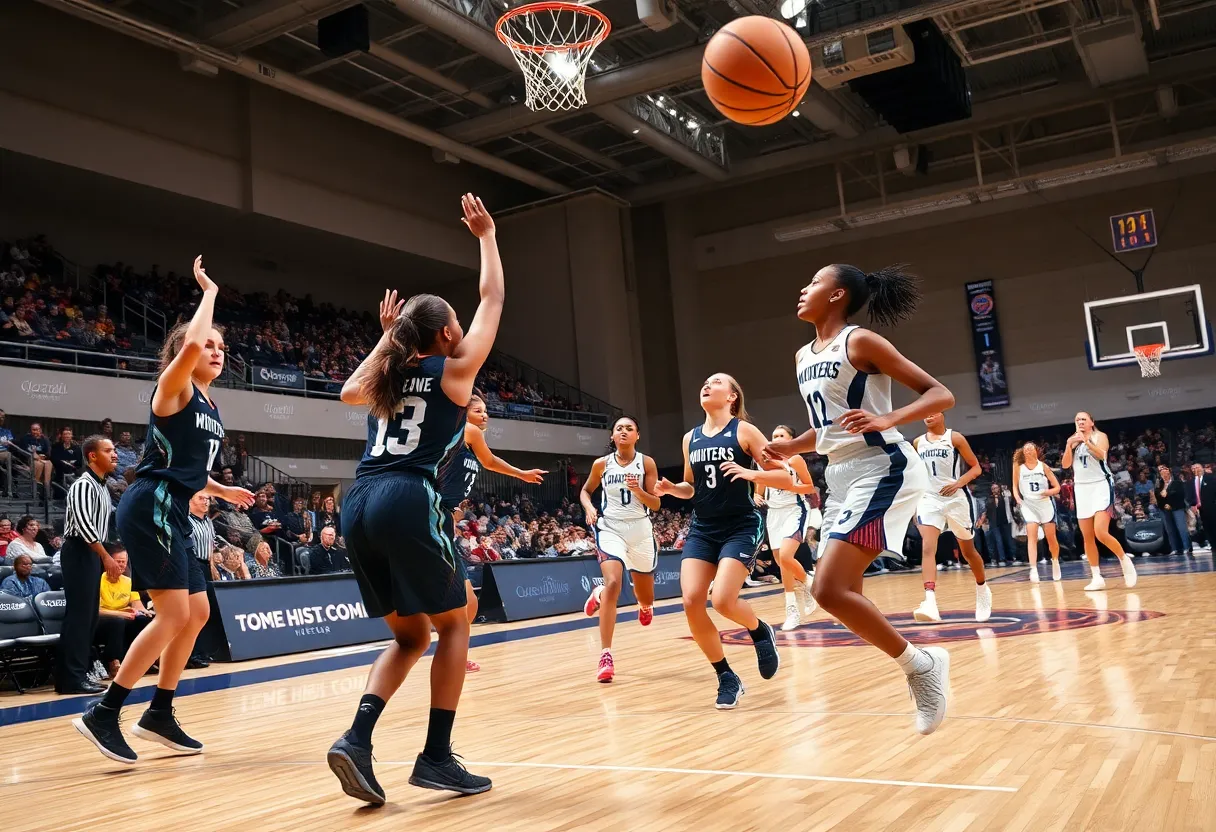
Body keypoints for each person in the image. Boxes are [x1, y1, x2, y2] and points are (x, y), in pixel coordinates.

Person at [326, 194, 499, 805]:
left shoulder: (387, 375)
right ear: (447, 334)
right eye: (454, 326)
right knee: (457, 622)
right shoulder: (456, 372)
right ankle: (435, 755)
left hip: (358, 499)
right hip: (406, 494)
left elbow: (348, 393)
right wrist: (487, 235)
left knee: (409, 637)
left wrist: (386, 340)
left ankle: (356, 739)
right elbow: (494, 298)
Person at [72, 255, 255, 765]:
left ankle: (161, 712)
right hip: (148, 504)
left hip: (174, 506)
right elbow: (193, 341)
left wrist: (220, 491)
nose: (217, 352)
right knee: (174, 612)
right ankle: (104, 712)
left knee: (196, 613)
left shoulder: (212, 406)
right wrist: (210, 294)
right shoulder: (173, 390)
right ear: (182, 354)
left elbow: (189, 469)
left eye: (223, 347)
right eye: (209, 345)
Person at [764, 263, 953, 735]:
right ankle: (919, 665)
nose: (803, 288)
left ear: (838, 295)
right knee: (842, 596)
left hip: (884, 468)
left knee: (827, 589)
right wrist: (793, 446)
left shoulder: (860, 341)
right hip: (841, 475)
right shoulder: (801, 355)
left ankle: (922, 666)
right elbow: (833, 427)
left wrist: (891, 419)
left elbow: (940, 394)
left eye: (814, 282)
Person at [653, 373, 780, 710]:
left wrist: (752, 474)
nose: (707, 385)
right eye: (705, 383)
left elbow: (783, 474)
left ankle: (759, 630)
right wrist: (672, 490)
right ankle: (726, 676)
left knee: (723, 600)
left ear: (732, 397)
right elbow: (691, 486)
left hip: (741, 524)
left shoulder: (744, 431)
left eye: (717, 382)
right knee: (693, 601)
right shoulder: (689, 438)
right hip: (703, 527)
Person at [438, 392, 545, 673]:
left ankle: (454, 654)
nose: (485, 415)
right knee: (463, 600)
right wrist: (521, 473)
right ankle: (449, 651)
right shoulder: (468, 430)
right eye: (479, 410)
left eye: (487, 411)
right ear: (465, 412)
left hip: (444, 517)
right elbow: (491, 462)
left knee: (466, 601)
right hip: (434, 515)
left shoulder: (463, 438)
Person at [579, 416, 659, 682]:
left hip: (640, 530)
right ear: (612, 437)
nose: (624, 432)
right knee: (614, 581)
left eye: (629, 428)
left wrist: (639, 491)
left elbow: (656, 504)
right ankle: (605, 655)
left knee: (646, 597)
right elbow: (585, 491)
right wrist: (590, 508)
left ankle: (607, 596)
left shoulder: (646, 463)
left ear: (637, 436)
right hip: (610, 528)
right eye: (619, 429)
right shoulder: (601, 464)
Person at [910, 413, 991, 623]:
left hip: (955, 499)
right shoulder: (918, 442)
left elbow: (976, 468)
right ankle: (930, 601)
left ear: (943, 415)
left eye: (933, 412)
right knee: (928, 547)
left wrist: (958, 483)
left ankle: (982, 589)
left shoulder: (955, 438)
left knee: (968, 551)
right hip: (929, 498)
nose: (928, 416)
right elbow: (914, 474)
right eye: (926, 412)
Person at [56, 435, 119, 695]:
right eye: (108, 450)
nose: (114, 454)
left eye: (115, 450)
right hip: (80, 551)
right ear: (92, 456)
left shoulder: (103, 486)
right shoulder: (83, 485)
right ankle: (70, 679)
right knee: (80, 616)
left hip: (92, 552)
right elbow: (84, 527)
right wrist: (106, 556)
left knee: (89, 616)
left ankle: (79, 674)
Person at [749, 425, 819, 631]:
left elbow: (809, 486)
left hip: (794, 509)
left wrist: (791, 486)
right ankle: (792, 610)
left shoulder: (795, 460)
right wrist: (756, 495)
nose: (776, 438)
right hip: (774, 514)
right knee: (782, 564)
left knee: (787, 557)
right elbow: (759, 488)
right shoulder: (764, 463)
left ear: (790, 440)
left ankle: (809, 583)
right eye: (774, 435)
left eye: (781, 435)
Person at [1061, 412, 1138, 590]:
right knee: (1087, 536)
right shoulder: (1072, 439)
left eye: (1083, 419)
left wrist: (1086, 442)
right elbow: (1065, 465)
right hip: (1081, 488)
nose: (1080, 421)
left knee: (1100, 532)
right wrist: (1068, 445)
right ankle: (1096, 577)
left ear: (1091, 422)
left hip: (1100, 485)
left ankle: (1124, 560)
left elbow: (1102, 455)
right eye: (1077, 419)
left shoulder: (1100, 436)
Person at [95, 548, 155, 679]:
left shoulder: (128, 581)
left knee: (144, 620)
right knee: (118, 622)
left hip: (123, 617)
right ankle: (113, 661)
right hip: (102, 620)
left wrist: (147, 612)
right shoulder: (98, 581)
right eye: (118, 561)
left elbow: (138, 605)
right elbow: (96, 611)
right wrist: (120, 614)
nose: (122, 565)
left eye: (124, 562)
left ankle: (142, 660)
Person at [1012, 442, 1062, 583]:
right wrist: (1017, 497)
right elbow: (1014, 486)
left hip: (1044, 503)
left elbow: (1057, 487)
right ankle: (1033, 569)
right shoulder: (1018, 467)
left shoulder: (1043, 466)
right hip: (1029, 504)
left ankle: (1055, 561)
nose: (1027, 450)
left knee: (1051, 538)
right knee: (1031, 536)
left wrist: (1049, 492)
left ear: (1035, 451)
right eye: (1025, 449)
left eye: (1030, 448)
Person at [1156, 464, 1192, 556]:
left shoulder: (1177, 482)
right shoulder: (1159, 484)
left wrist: (1168, 498)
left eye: (1166, 473)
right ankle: (1175, 548)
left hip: (1177, 508)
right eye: (1162, 473)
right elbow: (1157, 496)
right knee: (1170, 530)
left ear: (1169, 473)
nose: (1164, 475)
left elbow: (1180, 494)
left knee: (1181, 528)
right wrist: (1165, 504)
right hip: (1164, 509)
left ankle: (1186, 547)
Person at [17, 422, 52, 496]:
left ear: (40, 430)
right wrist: (32, 455)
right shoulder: (26, 438)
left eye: (37, 430)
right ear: (31, 430)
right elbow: (22, 451)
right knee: (39, 464)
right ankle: (37, 486)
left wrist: (43, 456)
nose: (35, 432)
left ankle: (46, 487)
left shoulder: (45, 439)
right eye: (33, 430)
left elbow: (48, 452)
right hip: (29, 459)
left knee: (48, 464)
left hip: (42, 459)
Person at [1187, 462, 1216, 549]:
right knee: (1206, 527)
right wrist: (1193, 505)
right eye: (1194, 468)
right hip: (1199, 508)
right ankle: (1213, 544)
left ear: (1202, 468)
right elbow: (1191, 495)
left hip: (1211, 506)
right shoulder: (1191, 481)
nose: (1196, 469)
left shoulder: (1210, 478)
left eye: (1198, 467)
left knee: (1214, 525)